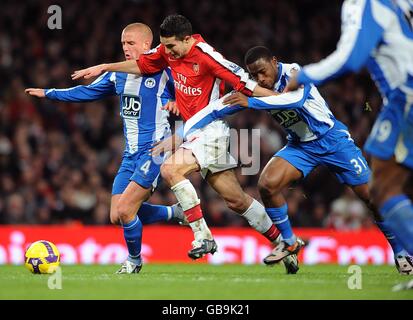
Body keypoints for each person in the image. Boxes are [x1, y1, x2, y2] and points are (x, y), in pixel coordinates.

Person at [71, 15, 300, 274]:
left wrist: (280, 100)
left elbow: (245, 83)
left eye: (171, 47)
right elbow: (142, 64)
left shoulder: (206, 56)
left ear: (188, 39)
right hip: (194, 132)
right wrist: (104, 66)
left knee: (170, 169)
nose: (167, 53)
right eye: (163, 46)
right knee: (236, 200)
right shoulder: (167, 51)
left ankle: (202, 236)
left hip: (211, 130)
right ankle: (285, 244)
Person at [222, 46, 412, 274]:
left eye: (262, 71)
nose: (260, 79)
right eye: (254, 75)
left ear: (274, 61)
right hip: (300, 146)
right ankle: (289, 241)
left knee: (373, 198)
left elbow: (295, 101)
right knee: (266, 184)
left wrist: (250, 102)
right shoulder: (259, 87)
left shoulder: (293, 71)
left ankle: (401, 252)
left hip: (332, 140)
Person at [26, 23, 185, 274]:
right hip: (130, 154)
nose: (125, 48)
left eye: (131, 43)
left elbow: (190, 102)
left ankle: (134, 261)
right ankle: (174, 212)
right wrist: (49, 93)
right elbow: (86, 92)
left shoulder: (165, 73)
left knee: (125, 210)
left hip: (155, 151)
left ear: (147, 45)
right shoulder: (118, 75)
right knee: (116, 215)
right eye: (123, 43)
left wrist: (179, 125)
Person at [286, 0, 413, 256]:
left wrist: (303, 75)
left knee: (383, 188)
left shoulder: (363, 3)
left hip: (406, 95)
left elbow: (350, 59)